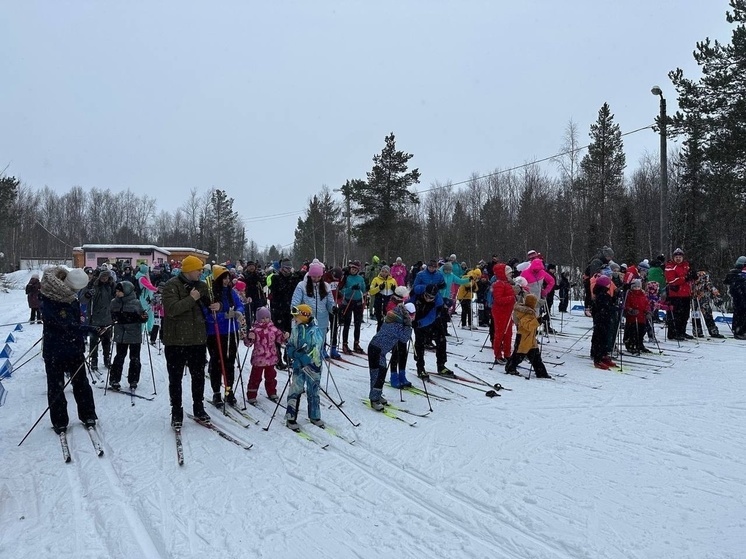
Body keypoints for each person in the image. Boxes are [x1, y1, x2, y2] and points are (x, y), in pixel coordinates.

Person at [39, 267, 98, 434]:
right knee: (56, 386)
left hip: (74, 348)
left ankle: (88, 414)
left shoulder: (70, 297)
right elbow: (66, 325)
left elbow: (74, 321)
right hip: (55, 349)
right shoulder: (51, 297)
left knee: (81, 383)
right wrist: (88, 329)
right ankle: (59, 420)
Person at [162, 255, 219, 427]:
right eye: (198, 269)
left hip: (197, 339)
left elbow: (210, 304)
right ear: (188, 270)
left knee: (198, 376)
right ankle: (177, 410)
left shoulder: (202, 285)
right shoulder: (171, 285)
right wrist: (191, 298)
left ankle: (198, 407)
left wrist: (218, 306)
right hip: (176, 340)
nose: (201, 272)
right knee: (175, 378)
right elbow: (171, 310)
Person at [205, 265, 246, 406]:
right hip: (215, 332)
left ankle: (229, 390)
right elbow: (208, 314)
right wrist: (224, 315)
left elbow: (240, 305)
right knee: (216, 362)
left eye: (228, 278)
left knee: (229, 362)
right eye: (223, 278)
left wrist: (238, 312)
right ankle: (216, 392)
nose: (227, 281)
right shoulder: (210, 293)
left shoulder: (231, 292)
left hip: (231, 331)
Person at [367, 301, 414, 410]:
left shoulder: (395, 318)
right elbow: (404, 338)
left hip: (379, 350)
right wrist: (408, 327)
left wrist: (406, 325)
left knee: (380, 373)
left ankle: (377, 395)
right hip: (376, 350)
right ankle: (374, 399)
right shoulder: (396, 323)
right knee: (378, 374)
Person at [285, 304, 325, 430]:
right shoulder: (296, 328)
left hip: (313, 366)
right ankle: (291, 416)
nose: (294, 318)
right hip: (298, 365)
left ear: (304, 316)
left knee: (313, 390)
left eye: (296, 316)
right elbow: (290, 344)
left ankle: (314, 415)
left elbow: (316, 348)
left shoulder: (315, 330)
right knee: (295, 389)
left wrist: (305, 358)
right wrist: (292, 353)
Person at [108, 281, 147, 390]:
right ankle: (114, 379)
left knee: (134, 358)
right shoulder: (114, 302)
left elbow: (142, 315)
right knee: (119, 357)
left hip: (134, 334)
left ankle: (133, 380)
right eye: (116, 291)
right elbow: (110, 316)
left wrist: (143, 317)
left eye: (119, 291)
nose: (117, 293)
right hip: (120, 334)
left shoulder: (135, 302)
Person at [245, 306, 288, 404]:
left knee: (271, 376)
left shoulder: (273, 329)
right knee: (255, 377)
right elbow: (248, 343)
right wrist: (249, 338)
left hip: (271, 358)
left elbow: (279, 338)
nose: (265, 320)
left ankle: (272, 391)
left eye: (267, 318)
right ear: (258, 319)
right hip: (259, 359)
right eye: (262, 318)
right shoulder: (255, 330)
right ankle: (251, 394)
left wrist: (284, 336)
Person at [503, 294, 551, 378]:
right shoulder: (524, 312)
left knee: (536, 356)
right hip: (523, 338)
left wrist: (541, 319)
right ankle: (510, 368)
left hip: (530, 338)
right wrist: (538, 321)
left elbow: (531, 323)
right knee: (518, 355)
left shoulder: (529, 311)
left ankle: (541, 372)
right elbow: (527, 326)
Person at [291, 260, 335, 348]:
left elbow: (330, 303)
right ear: (310, 275)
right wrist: (301, 316)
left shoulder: (326, 286)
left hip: (322, 323)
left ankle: (318, 361)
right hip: (306, 323)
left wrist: (333, 308)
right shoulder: (302, 286)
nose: (316, 279)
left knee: (319, 347)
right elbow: (294, 305)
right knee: (306, 349)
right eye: (314, 277)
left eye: (319, 277)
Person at [84, 268, 115, 372]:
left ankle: (107, 359)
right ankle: (94, 360)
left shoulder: (112, 286)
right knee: (94, 341)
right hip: (96, 318)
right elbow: (86, 299)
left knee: (107, 341)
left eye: (106, 277)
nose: (105, 279)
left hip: (108, 318)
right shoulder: (95, 286)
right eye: (103, 276)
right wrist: (88, 294)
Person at [664, 248, 694, 340]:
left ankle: (682, 331)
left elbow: (689, 279)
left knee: (685, 315)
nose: (678, 259)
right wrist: (684, 278)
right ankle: (673, 333)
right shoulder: (670, 266)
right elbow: (671, 280)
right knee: (675, 314)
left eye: (680, 257)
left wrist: (692, 277)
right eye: (676, 257)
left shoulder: (686, 266)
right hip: (675, 295)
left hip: (686, 294)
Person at [339, 260, 367, 354]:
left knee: (357, 324)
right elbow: (342, 291)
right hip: (348, 301)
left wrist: (362, 287)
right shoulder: (347, 277)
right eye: (352, 269)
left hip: (358, 302)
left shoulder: (360, 278)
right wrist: (351, 288)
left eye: (355, 269)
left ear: (358, 270)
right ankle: (345, 344)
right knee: (347, 323)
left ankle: (356, 343)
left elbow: (364, 290)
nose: (353, 271)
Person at [491, 264, 516, 365]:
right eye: (509, 273)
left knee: (508, 334)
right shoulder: (499, 284)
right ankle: (498, 355)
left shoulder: (507, 283)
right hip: (500, 312)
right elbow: (498, 299)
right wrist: (511, 298)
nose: (511, 275)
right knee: (500, 334)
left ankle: (507, 354)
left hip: (508, 312)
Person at [623, 279, 650, 354]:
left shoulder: (642, 294)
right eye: (635, 287)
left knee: (641, 331)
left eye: (638, 287)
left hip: (641, 316)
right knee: (632, 332)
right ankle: (630, 344)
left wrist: (647, 311)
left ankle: (639, 344)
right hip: (632, 317)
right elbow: (626, 304)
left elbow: (646, 303)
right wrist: (630, 310)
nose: (637, 288)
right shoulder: (630, 294)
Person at [369, 265, 398, 331]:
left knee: (389, 322)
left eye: (386, 272)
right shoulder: (376, 279)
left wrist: (394, 290)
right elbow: (371, 291)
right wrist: (379, 288)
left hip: (389, 302)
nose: (384, 273)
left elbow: (398, 293)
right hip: (379, 301)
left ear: (388, 273)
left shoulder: (393, 280)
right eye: (382, 271)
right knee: (380, 322)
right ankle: (379, 338)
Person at [724, 256, 746, 339]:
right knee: (740, 313)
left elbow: (727, 281)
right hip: (740, 295)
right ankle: (739, 331)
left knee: (739, 312)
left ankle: (739, 329)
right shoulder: (736, 273)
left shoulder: (733, 272)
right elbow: (727, 281)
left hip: (739, 295)